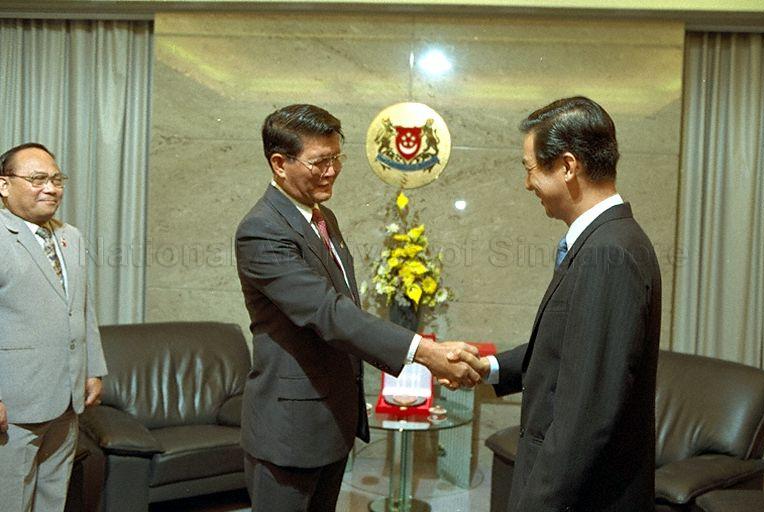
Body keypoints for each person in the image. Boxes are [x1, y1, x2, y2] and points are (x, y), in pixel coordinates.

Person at [235, 104, 482, 512]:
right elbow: (329, 312)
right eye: (320, 162)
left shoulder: (322, 216)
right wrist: (424, 352)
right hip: (289, 431)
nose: (332, 171)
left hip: (330, 423)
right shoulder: (262, 230)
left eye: (336, 158)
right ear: (279, 164)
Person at [473, 97, 662, 511]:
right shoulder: (606, 242)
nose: (527, 185)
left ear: (568, 166)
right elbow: (571, 350)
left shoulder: (609, 255)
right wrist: (489, 367)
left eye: (530, 169)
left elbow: (586, 414)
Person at [0, 142, 107, 512]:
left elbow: (82, 308)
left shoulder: (70, 236)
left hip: (66, 401)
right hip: (14, 407)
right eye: (37, 179)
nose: (51, 188)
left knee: (53, 500)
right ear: (4, 185)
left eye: (56, 179)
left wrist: (93, 368)